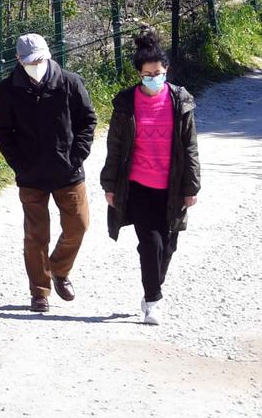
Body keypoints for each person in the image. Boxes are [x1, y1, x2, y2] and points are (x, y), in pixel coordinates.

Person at [0, 32, 98, 313]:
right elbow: (2, 131)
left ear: (49, 55)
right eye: (30, 61)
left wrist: (76, 156)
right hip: (31, 176)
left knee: (79, 225)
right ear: (18, 60)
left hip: (68, 172)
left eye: (40, 60)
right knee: (36, 235)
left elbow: (87, 121)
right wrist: (19, 163)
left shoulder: (70, 83)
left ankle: (59, 269)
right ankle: (39, 292)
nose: (36, 65)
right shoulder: (8, 90)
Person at [100, 30, 201, 326]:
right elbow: (115, 146)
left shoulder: (180, 100)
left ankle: (152, 288)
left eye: (157, 73)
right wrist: (109, 184)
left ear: (166, 70)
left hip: (172, 185)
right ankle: (153, 301)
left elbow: (190, 146)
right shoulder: (126, 103)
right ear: (139, 75)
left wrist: (191, 186)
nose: (153, 78)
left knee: (168, 246)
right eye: (147, 75)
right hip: (139, 185)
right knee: (150, 244)